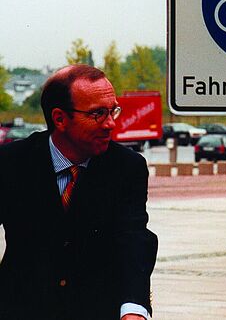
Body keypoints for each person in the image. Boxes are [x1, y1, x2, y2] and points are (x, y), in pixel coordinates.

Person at [0, 64, 158, 320]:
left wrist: (133, 308)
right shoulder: (11, 163)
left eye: (112, 111)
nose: (110, 124)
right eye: (97, 114)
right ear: (60, 119)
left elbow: (133, 239)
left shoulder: (127, 168)